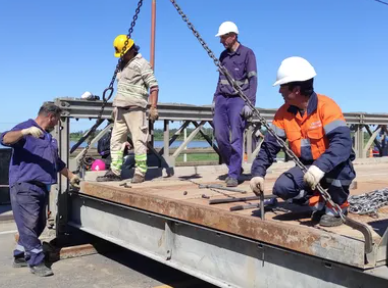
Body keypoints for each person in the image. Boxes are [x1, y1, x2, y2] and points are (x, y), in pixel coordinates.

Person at [250, 57, 355, 227]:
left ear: (296, 89)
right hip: (306, 169)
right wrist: (257, 172)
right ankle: (318, 202)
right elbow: (269, 147)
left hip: (332, 166)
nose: (280, 92)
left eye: (283, 87)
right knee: (282, 188)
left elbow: (342, 143)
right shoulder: (283, 114)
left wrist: (320, 166)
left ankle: (338, 207)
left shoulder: (326, 107)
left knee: (342, 169)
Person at [0, 102, 81, 277]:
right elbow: (5, 139)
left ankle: (20, 255)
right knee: (28, 225)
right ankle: (36, 261)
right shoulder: (26, 128)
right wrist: (24, 132)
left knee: (39, 223)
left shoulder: (48, 138)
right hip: (25, 186)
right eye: (57, 120)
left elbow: (56, 163)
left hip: (42, 187)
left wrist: (72, 176)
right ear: (51, 117)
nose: (57, 124)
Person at [97, 35, 159, 183]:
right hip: (120, 108)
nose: (122, 56)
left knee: (139, 141)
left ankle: (140, 172)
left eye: (123, 53)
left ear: (131, 49)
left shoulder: (142, 63)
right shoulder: (122, 64)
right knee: (115, 141)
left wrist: (153, 107)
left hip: (135, 108)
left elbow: (154, 86)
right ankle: (115, 171)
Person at [212, 21, 258, 187]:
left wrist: (250, 103)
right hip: (222, 98)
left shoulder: (247, 54)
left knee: (236, 137)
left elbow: (253, 80)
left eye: (223, 37)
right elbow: (220, 80)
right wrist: (215, 98)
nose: (221, 41)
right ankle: (234, 166)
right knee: (220, 135)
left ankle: (233, 173)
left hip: (239, 99)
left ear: (233, 36)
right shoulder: (223, 56)